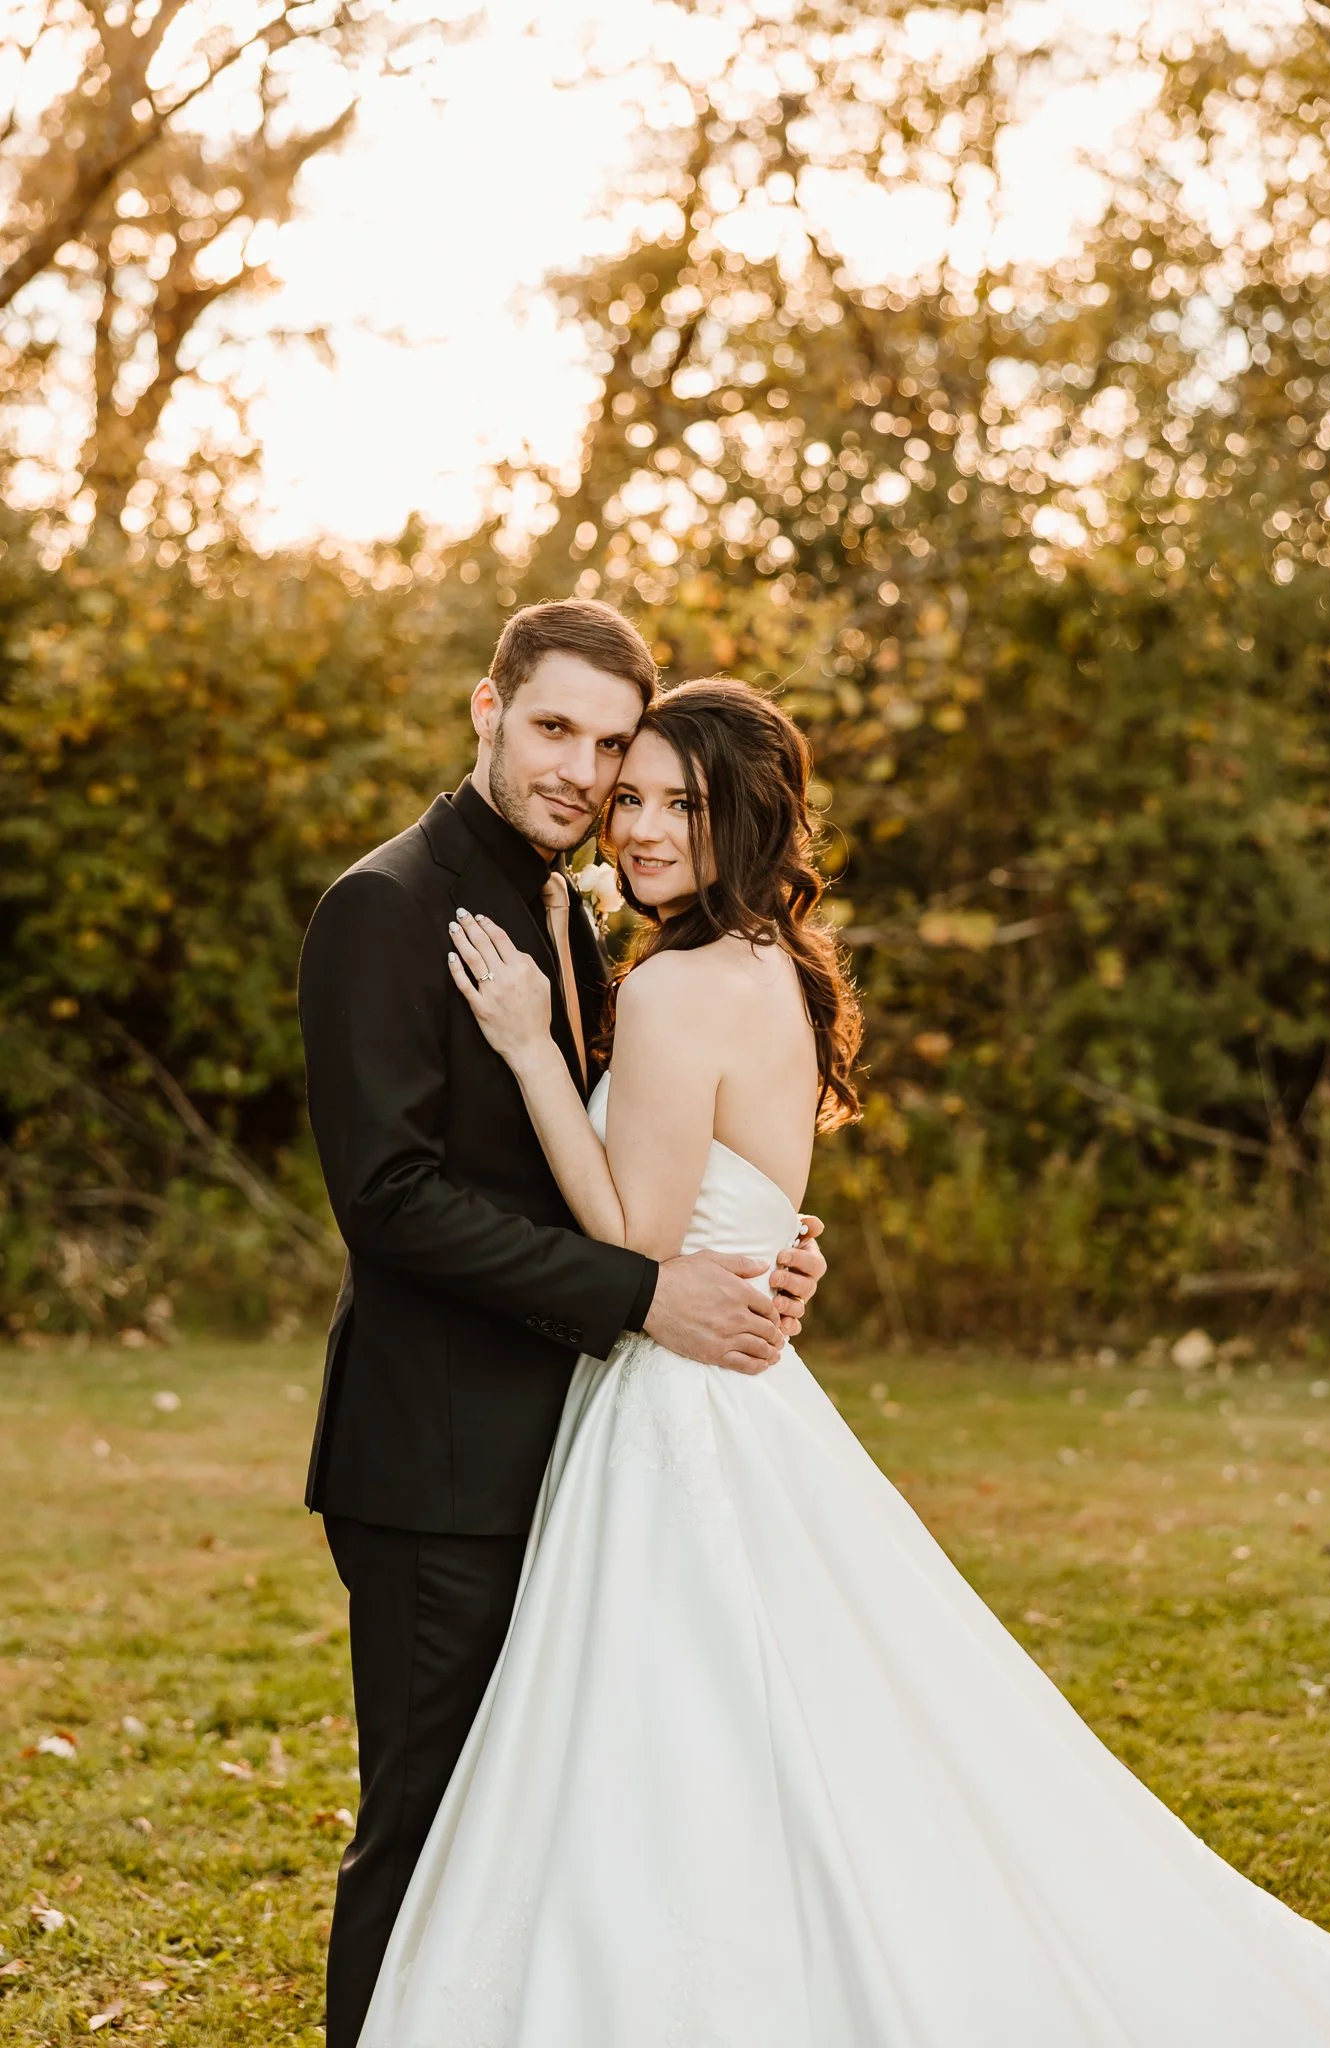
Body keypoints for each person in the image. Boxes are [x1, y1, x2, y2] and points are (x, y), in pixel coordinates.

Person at [356, 677, 1330, 2047]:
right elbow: (738, 1194)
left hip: (677, 1398)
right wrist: (773, 1243)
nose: (640, 828)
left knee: (670, 1733)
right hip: (747, 1385)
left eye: (681, 806)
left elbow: (642, 1236)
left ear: (750, 820)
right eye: (632, 796)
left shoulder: (673, 988)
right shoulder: (771, 962)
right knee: (806, 1725)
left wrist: (535, 1052)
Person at [296, 603, 829, 2048]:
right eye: (558, 730)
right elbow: (392, 1200)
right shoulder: (385, 906)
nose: (587, 774)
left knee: (547, 1826)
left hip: (581, 1447)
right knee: (427, 1824)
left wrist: (767, 1245)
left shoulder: (580, 914)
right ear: (488, 709)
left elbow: (648, 1150)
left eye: (614, 745)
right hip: (440, 1460)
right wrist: (653, 1291)